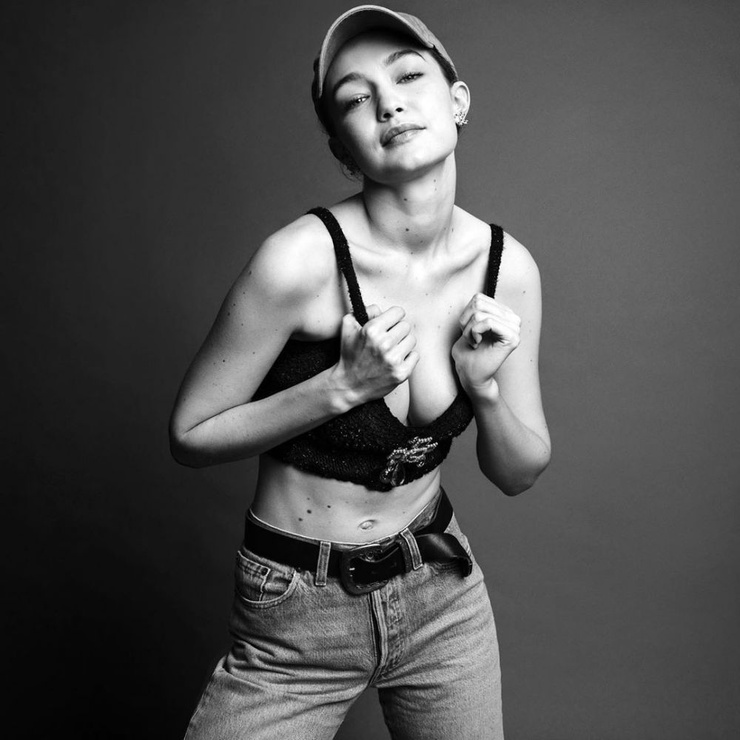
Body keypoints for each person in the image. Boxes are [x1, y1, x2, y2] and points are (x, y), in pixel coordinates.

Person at [170, 5, 551, 739]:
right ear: (342, 150)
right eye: (354, 98)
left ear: (458, 100)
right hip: (297, 612)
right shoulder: (298, 261)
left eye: (408, 76)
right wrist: (340, 388)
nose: (388, 103)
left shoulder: (509, 270)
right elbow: (189, 435)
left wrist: (485, 391)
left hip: (441, 593)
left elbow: (520, 471)